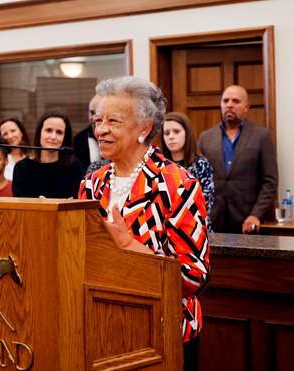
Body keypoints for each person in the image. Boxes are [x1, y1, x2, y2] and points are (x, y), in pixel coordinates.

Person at [78, 76, 209, 371]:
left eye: (114, 121)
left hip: (162, 334)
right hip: (102, 329)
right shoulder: (90, 184)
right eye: (98, 120)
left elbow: (194, 277)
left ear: (144, 128)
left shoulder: (178, 184)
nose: (101, 130)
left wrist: (128, 245)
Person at [198, 85, 278, 234]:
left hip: (248, 221)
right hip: (213, 220)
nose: (229, 105)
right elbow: (197, 180)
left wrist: (256, 214)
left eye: (235, 101)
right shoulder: (205, 137)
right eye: (225, 100)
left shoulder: (261, 136)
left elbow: (270, 181)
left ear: (246, 107)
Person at [161, 112, 215, 230]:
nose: (171, 136)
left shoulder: (201, 165)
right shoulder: (159, 166)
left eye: (176, 131)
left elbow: (205, 204)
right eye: (166, 133)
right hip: (165, 232)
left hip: (196, 231)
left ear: (187, 133)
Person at [13, 110, 85, 198]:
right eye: (48, 130)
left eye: (59, 132)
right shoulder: (22, 169)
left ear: (65, 137)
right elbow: (20, 207)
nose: (53, 137)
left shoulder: (75, 167)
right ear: (40, 133)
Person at [73, 94, 102, 170]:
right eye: (92, 113)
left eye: (98, 113)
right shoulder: (77, 140)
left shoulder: (115, 137)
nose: (94, 118)